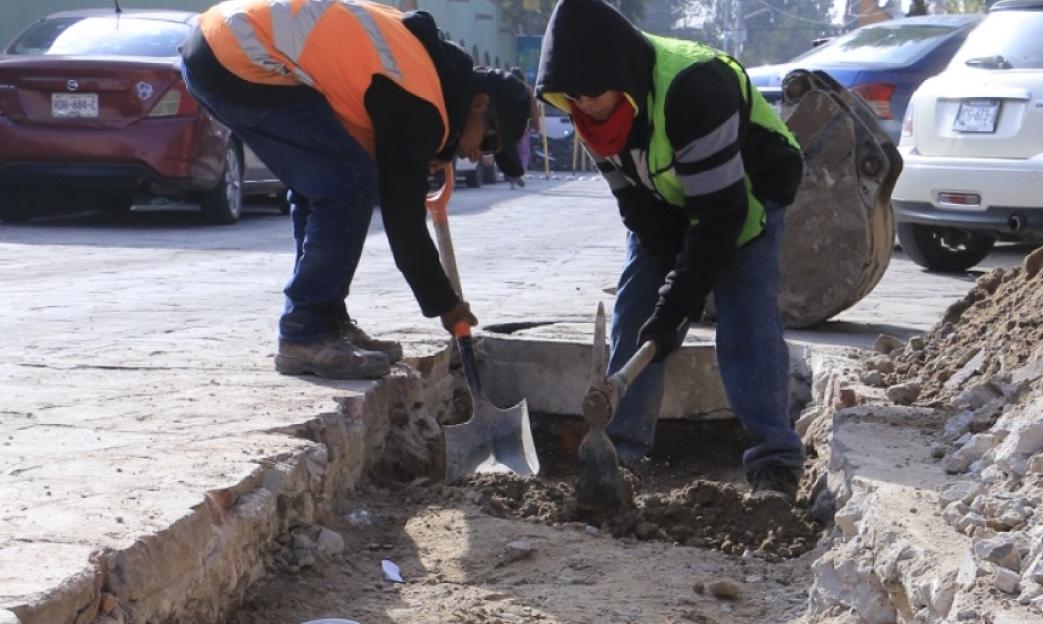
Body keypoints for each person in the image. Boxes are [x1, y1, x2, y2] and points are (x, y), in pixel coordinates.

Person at [535, 0, 806, 498]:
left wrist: (680, 302)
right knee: (638, 305)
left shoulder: (694, 88)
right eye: (572, 94)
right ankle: (620, 452)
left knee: (745, 315)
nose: (585, 102)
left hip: (747, 187)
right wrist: (667, 305)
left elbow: (721, 220)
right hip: (668, 198)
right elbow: (636, 207)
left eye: (594, 90)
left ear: (621, 72)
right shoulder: (587, 115)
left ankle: (776, 463)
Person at [180, 0, 532, 379]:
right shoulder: (422, 100)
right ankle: (308, 330)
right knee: (349, 183)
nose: (481, 155)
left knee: (326, 184)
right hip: (242, 58)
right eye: (491, 141)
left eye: (492, 155)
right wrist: (446, 305)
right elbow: (405, 224)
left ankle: (325, 320)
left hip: (222, 47)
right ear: (478, 102)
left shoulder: (425, 74)